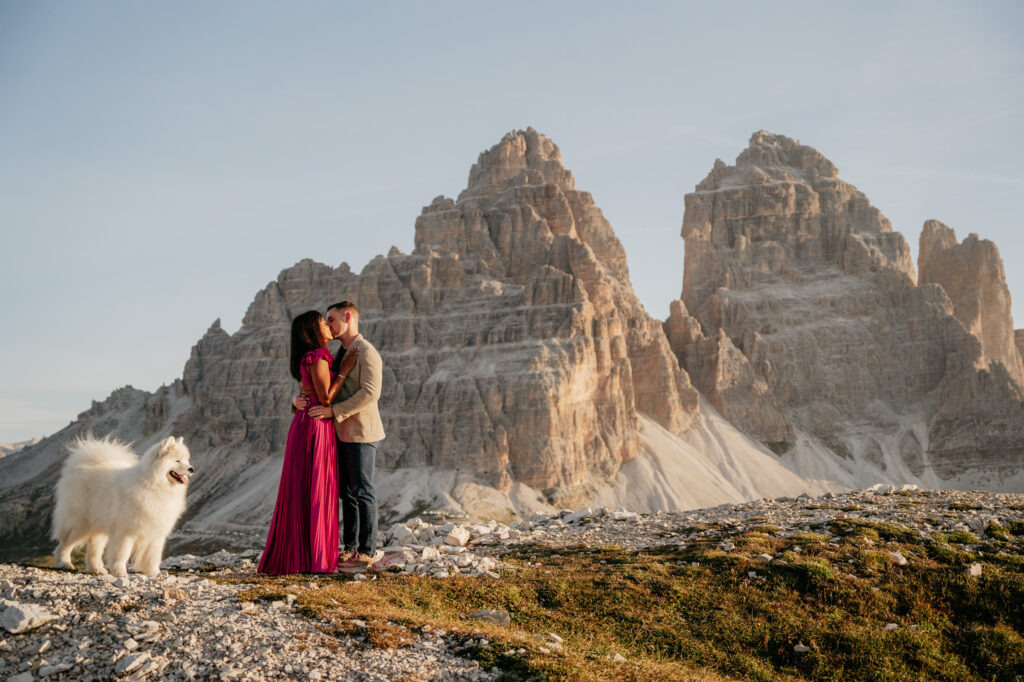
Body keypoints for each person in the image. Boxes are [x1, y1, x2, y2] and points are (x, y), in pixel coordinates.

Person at [258, 310, 357, 575]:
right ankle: (317, 558)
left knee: (301, 489)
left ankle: (298, 556)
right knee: (317, 488)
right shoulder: (319, 356)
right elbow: (325, 398)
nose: (328, 325)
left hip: (303, 424)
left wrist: (296, 402)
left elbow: (309, 391)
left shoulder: (307, 357)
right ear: (313, 330)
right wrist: (345, 371)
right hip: (316, 426)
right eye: (323, 323)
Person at [306, 301, 385, 570]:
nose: (328, 325)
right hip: (341, 433)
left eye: (332, 319)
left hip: (362, 432)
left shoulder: (366, 351)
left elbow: (370, 393)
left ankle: (367, 551)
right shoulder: (342, 352)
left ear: (348, 317)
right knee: (346, 494)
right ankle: (349, 547)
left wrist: (333, 411)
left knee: (363, 491)